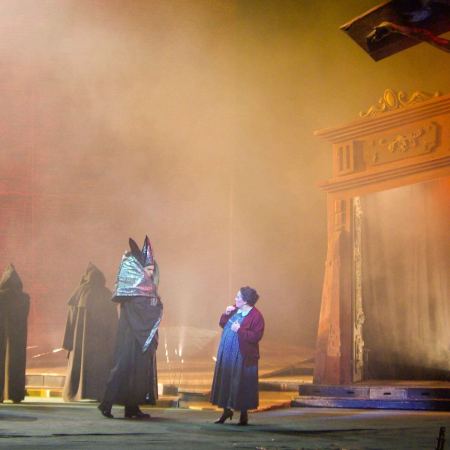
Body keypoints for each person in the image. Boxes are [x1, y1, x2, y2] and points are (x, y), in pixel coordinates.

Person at [98, 236, 163, 419]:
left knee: (138, 373)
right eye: (148, 270)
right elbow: (144, 312)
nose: (151, 273)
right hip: (130, 338)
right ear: (139, 270)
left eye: (152, 270)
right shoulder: (133, 291)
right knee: (122, 369)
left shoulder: (145, 289)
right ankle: (106, 404)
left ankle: (132, 407)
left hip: (140, 338)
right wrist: (156, 306)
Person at [62, 263, 118, 402]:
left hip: (79, 342)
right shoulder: (106, 294)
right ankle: (99, 393)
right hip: (100, 343)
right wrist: (114, 342)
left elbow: (70, 321)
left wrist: (68, 343)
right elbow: (113, 322)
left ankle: (75, 393)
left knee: (79, 363)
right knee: (100, 365)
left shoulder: (78, 293)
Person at [210, 286, 264, 426]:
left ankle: (243, 415)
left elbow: (256, 337)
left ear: (245, 300)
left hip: (242, 355)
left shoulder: (256, 316)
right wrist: (226, 313)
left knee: (241, 382)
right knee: (226, 379)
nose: (235, 299)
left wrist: (239, 330)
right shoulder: (234, 309)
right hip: (227, 352)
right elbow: (222, 323)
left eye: (238, 297)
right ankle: (226, 411)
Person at [0, 264, 30, 403]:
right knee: (16, 364)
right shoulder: (24, 298)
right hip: (18, 337)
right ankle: (15, 394)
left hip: (1, 335)